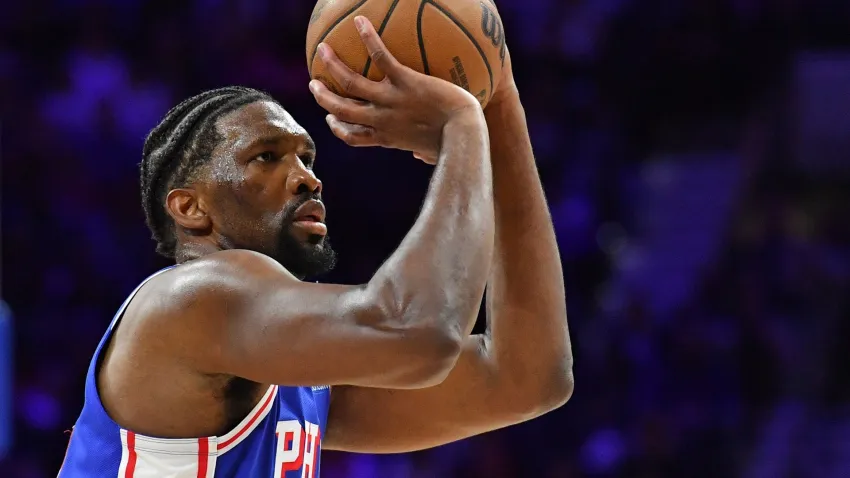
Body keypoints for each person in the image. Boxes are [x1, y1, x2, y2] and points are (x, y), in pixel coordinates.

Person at [58, 17, 573, 477]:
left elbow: (527, 378)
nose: (306, 178)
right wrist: (464, 125)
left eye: (307, 158)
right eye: (266, 157)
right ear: (190, 208)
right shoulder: (190, 301)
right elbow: (419, 332)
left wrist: (500, 100)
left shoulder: (291, 371)